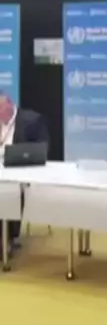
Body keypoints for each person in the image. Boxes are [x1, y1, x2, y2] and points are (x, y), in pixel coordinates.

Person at [0, 93, 49, 251]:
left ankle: (7, 238)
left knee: (8, 193)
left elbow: (42, 149)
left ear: (9, 105)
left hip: (20, 174)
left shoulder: (32, 120)